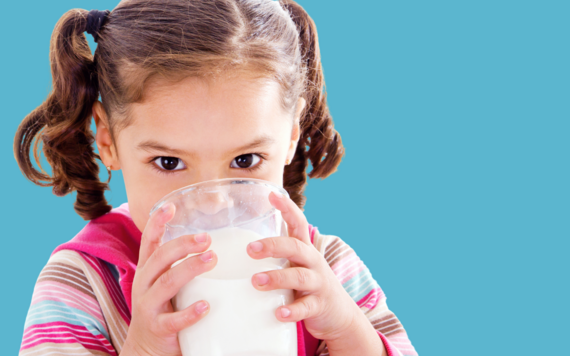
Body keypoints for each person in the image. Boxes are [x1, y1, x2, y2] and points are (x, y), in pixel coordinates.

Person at [14, 1, 418, 355]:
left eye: (245, 160)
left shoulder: (326, 271)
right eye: (169, 163)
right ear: (108, 140)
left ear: (292, 133)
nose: (213, 204)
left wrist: (347, 330)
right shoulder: (83, 283)